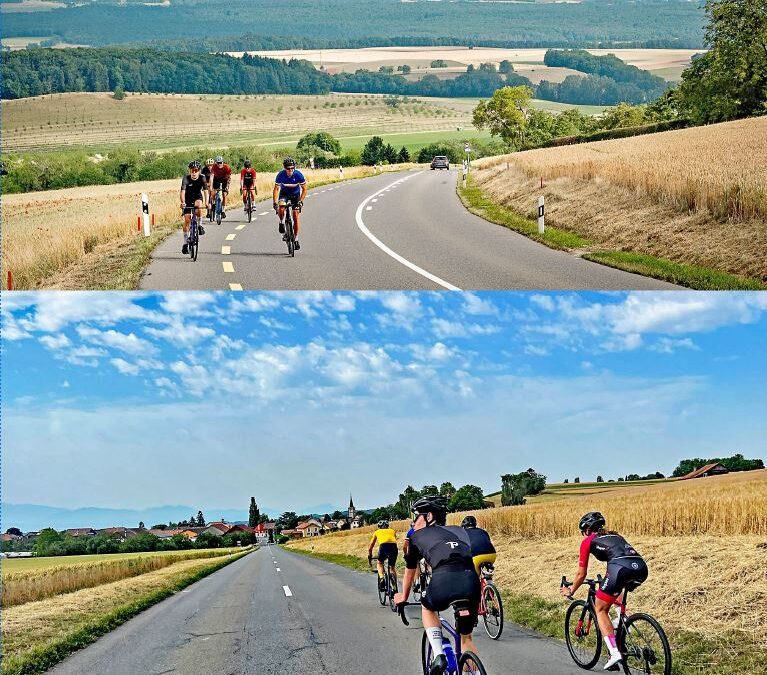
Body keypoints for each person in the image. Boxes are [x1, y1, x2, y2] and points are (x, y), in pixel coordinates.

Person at [394, 496, 481, 675]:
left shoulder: (416, 536)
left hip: (444, 579)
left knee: (428, 608)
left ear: (429, 516)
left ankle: (439, 654)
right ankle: (472, 670)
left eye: (417, 516)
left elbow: (411, 570)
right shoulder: (460, 530)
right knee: (466, 638)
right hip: (471, 582)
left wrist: (403, 597)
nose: (412, 522)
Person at [561, 511, 649, 670]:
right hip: (641, 567)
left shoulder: (588, 541)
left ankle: (615, 652)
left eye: (584, 532)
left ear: (587, 529)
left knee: (600, 608)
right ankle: (620, 621)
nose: (584, 535)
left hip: (620, 569)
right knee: (613, 592)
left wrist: (571, 590)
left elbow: (581, 575)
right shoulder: (616, 536)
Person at [272, 157, 307, 250]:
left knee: (295, 216)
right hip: (284, 194)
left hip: (295, 195)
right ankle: (282, 222)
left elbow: (304, 189)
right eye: (288, 169)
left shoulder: (298, 175)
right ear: (284, 168)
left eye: (292, 168)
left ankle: (296, 239)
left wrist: (301, 201)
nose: (290, 170)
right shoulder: (280, 175)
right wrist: (275, 202)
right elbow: (276, 189)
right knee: (282, 207)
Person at [179, 160, 208, 254]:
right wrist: (183, 202)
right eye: (192, 170)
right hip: (187, 199)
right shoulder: (186, 179)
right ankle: (185, 243)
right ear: (190, 171)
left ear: (199, 171)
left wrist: (207, 203)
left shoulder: (202, 178)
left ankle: (200, 225)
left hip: (197, 197)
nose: (194, 172)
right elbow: (182, 192)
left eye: (196, 170)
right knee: (187, 220)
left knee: (198, 207)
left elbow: (206, 192)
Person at [367, 519, 398, 592]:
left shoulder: (377, 532)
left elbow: (371, 545)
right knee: (392, 567)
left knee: (379, 562)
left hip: (383, 546)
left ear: (379, 526)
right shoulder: (392, 531)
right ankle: (394, 587)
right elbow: (394, 539)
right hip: (394, 547)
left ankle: (382, 579)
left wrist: (370, 554)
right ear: (387, 526)